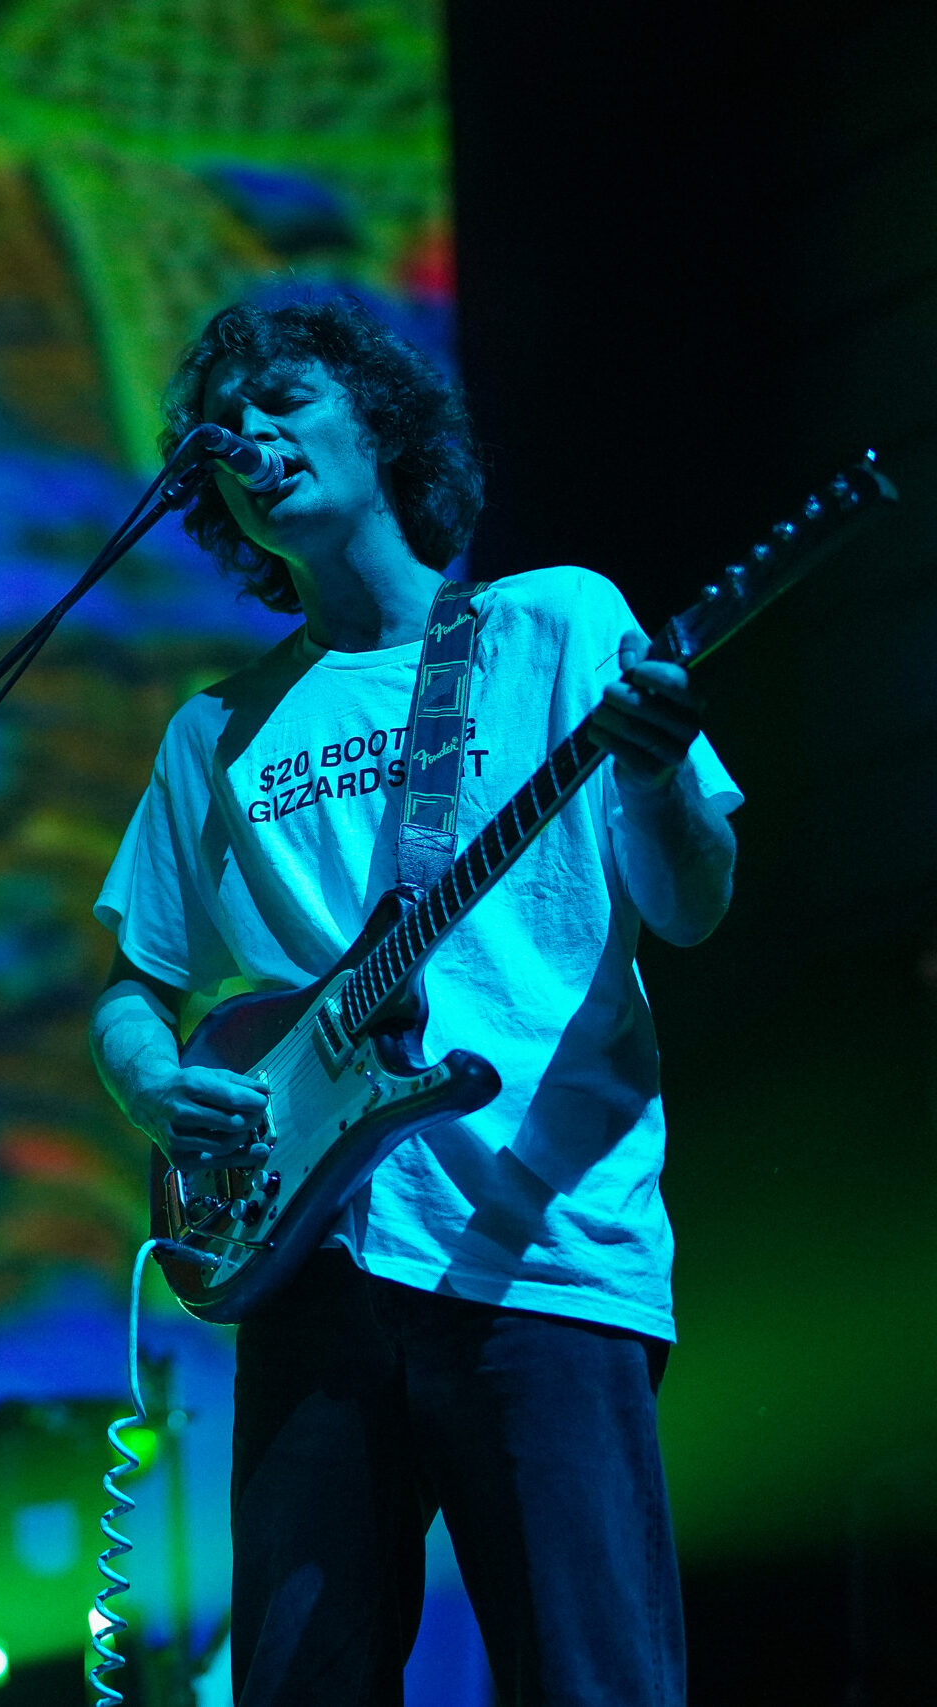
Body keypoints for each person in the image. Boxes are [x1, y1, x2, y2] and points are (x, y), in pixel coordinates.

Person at [88, 296, 737, 1705]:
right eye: (225, 430)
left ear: (378, 419)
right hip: (313, 1261)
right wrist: (153, 1083)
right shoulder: (218, 726)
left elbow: (691, 902)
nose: (250, 438)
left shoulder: (552, 625)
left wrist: (655, 768)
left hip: (538, 1257)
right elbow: (134, 985)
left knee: (594, 1678)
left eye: (284, 400)